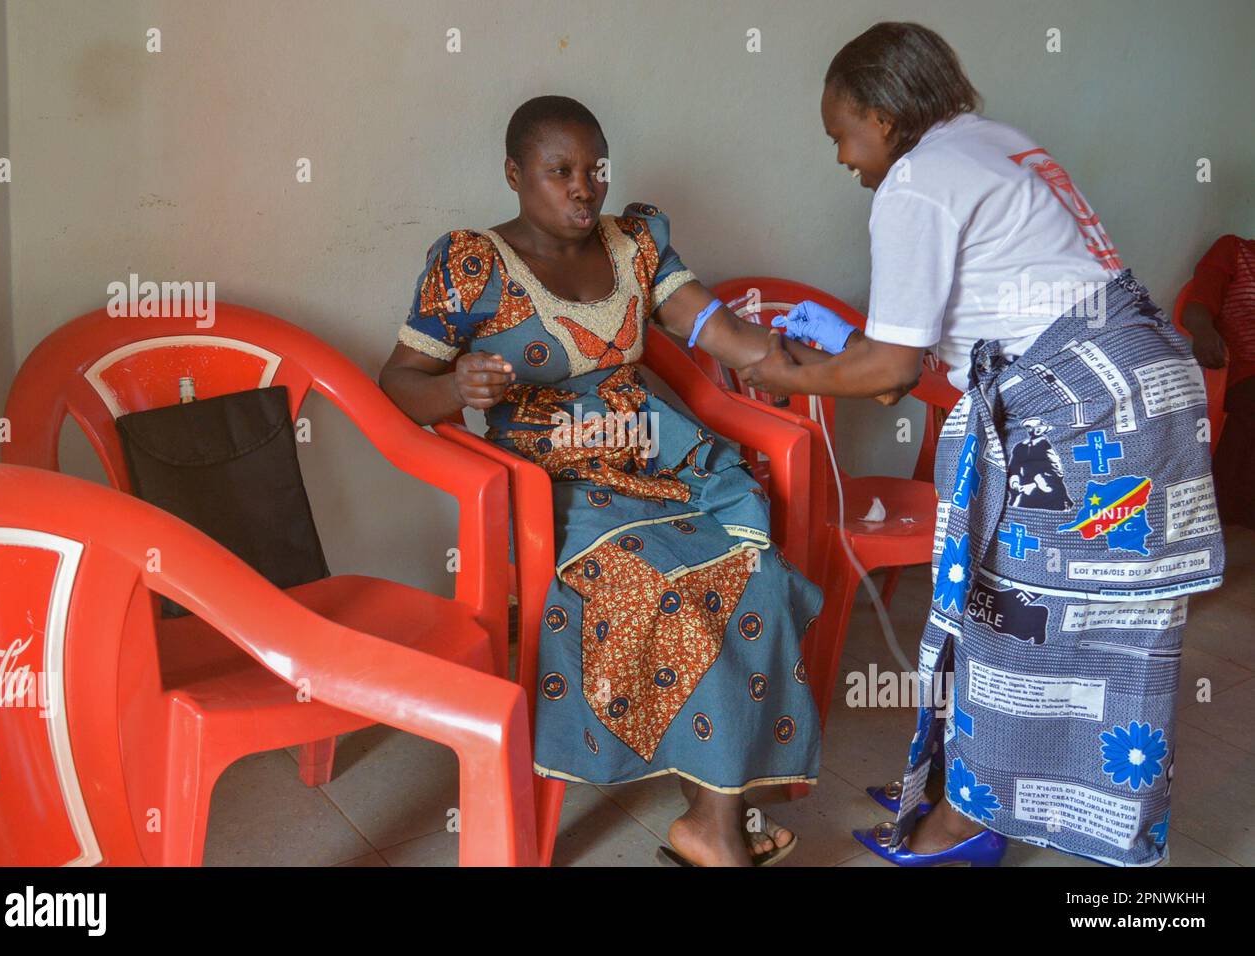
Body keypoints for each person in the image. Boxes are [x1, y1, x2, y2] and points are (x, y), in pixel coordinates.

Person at [737, 22, 1225, 866]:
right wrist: (846, 347)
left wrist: (795, 373)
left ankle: (969, 824)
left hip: (1080, 420)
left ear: (884, 118)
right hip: (1135, 391)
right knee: (1074, 630)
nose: (843, 158)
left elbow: (889, 369)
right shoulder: (995, 144)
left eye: (842, 134)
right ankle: (970, 782)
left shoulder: (916, 183)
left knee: (1017, 623)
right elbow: (920, 356)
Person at [379, 96, 825, 866]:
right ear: (516, 175)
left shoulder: (635, 242)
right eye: (561, 172)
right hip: (552, 481)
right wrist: (458, 389)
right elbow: (397, 382)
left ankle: (710, 819)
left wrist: (806, 361)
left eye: (595, 171)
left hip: (662, 455)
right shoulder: (470, 266)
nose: (585, 189)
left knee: (754, 568)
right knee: (662, 583)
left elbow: (717, 331)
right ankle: (718, 826)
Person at [1181, 233, 1255, 530]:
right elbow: (1197, 307)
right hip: (1245, 369)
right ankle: (1228, 505)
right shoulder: (1234, 250)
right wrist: (1203, 331)